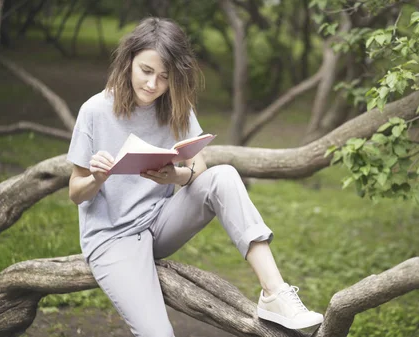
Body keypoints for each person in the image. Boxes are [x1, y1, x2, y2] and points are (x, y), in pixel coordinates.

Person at [67, 17, 323, 337]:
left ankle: (274, 293)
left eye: (164, 77)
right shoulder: (95, 110)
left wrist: (175, 176)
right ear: (128, 62)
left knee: (224, 175)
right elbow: (75, 192)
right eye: (146, 71)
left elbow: (199, 173)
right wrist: (97, 179)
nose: (152, 85)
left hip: (158, 223)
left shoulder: (176, 107)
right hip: (112, 238)